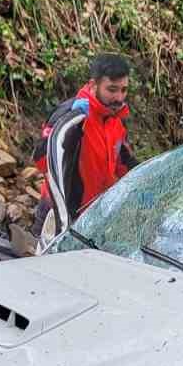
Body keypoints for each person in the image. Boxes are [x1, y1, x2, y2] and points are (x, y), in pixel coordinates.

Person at [33, 54, 136, 241]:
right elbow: (41, 158)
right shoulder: (73, 115)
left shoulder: (116, 121)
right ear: (93, 85)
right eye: (112, 90)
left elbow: (124, 164)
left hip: (94, 218)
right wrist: (69, 126)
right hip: (57, 214)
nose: (119, 98)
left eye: (123, 90)